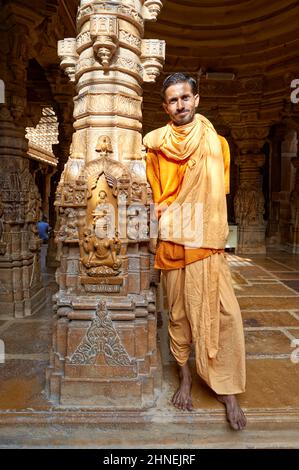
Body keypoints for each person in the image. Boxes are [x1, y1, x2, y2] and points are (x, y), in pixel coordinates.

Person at [144, 72, 246, 431]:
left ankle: (226, 385)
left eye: (185, 98)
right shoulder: (155, 146)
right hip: (174, 240)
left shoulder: (216, 143)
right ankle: (186, 379)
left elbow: (219, 196)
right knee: (179, 315)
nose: (180, 105)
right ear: (165, 106)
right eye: (173, 100)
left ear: (197, 99)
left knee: (224, 313)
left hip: (206, 242)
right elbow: (156, 197)